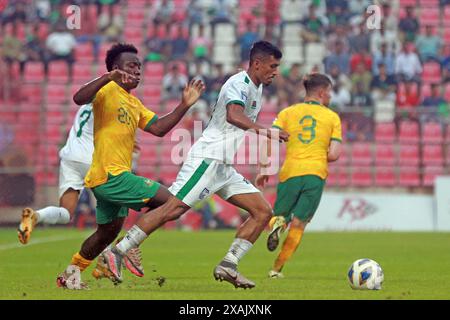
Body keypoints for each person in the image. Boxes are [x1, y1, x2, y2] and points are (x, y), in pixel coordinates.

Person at [101, 41, 288, 289]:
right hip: (207, 158)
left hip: (223, 166)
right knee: (173, 208)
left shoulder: (256, 88)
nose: (275, 71)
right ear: (257, 63)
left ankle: (229, 264)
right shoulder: (238, 84)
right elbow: (233, 115)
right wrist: (266, 132)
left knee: (262, 212)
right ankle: (117, 251)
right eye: (272, 66)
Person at [55, 43, 205, 289]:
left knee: (106, 233)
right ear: (116, 69)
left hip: (108, 177)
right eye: (131, 66)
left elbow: (158, 129)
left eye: (139, 67)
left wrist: (185, 105)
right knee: (171, 201)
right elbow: (78, 98)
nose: (138, 71)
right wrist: (107, 78)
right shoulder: (107, 90)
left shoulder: (134, 103)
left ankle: (70, 275)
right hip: (110, 176)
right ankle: (126, 248)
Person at [17, 103, 145, 280]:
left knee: (66, 213)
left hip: (70, 158)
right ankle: (106, 261)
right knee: (112, 219)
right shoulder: (109, 101)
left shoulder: (85, 104)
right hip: (92, 159)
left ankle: (36, 216)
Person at [256, 73, 342, 278]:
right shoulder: (332, 117)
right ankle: (276, 269)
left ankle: (278, 224)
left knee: (279, 216)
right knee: (300, 223)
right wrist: (321, 152)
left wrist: (265, 166)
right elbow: (334, 154)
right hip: (315, 173)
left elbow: (270, 136)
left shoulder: (288, 112)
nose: (330, 96)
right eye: (329, 92)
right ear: (321, 93)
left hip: (290, 171)